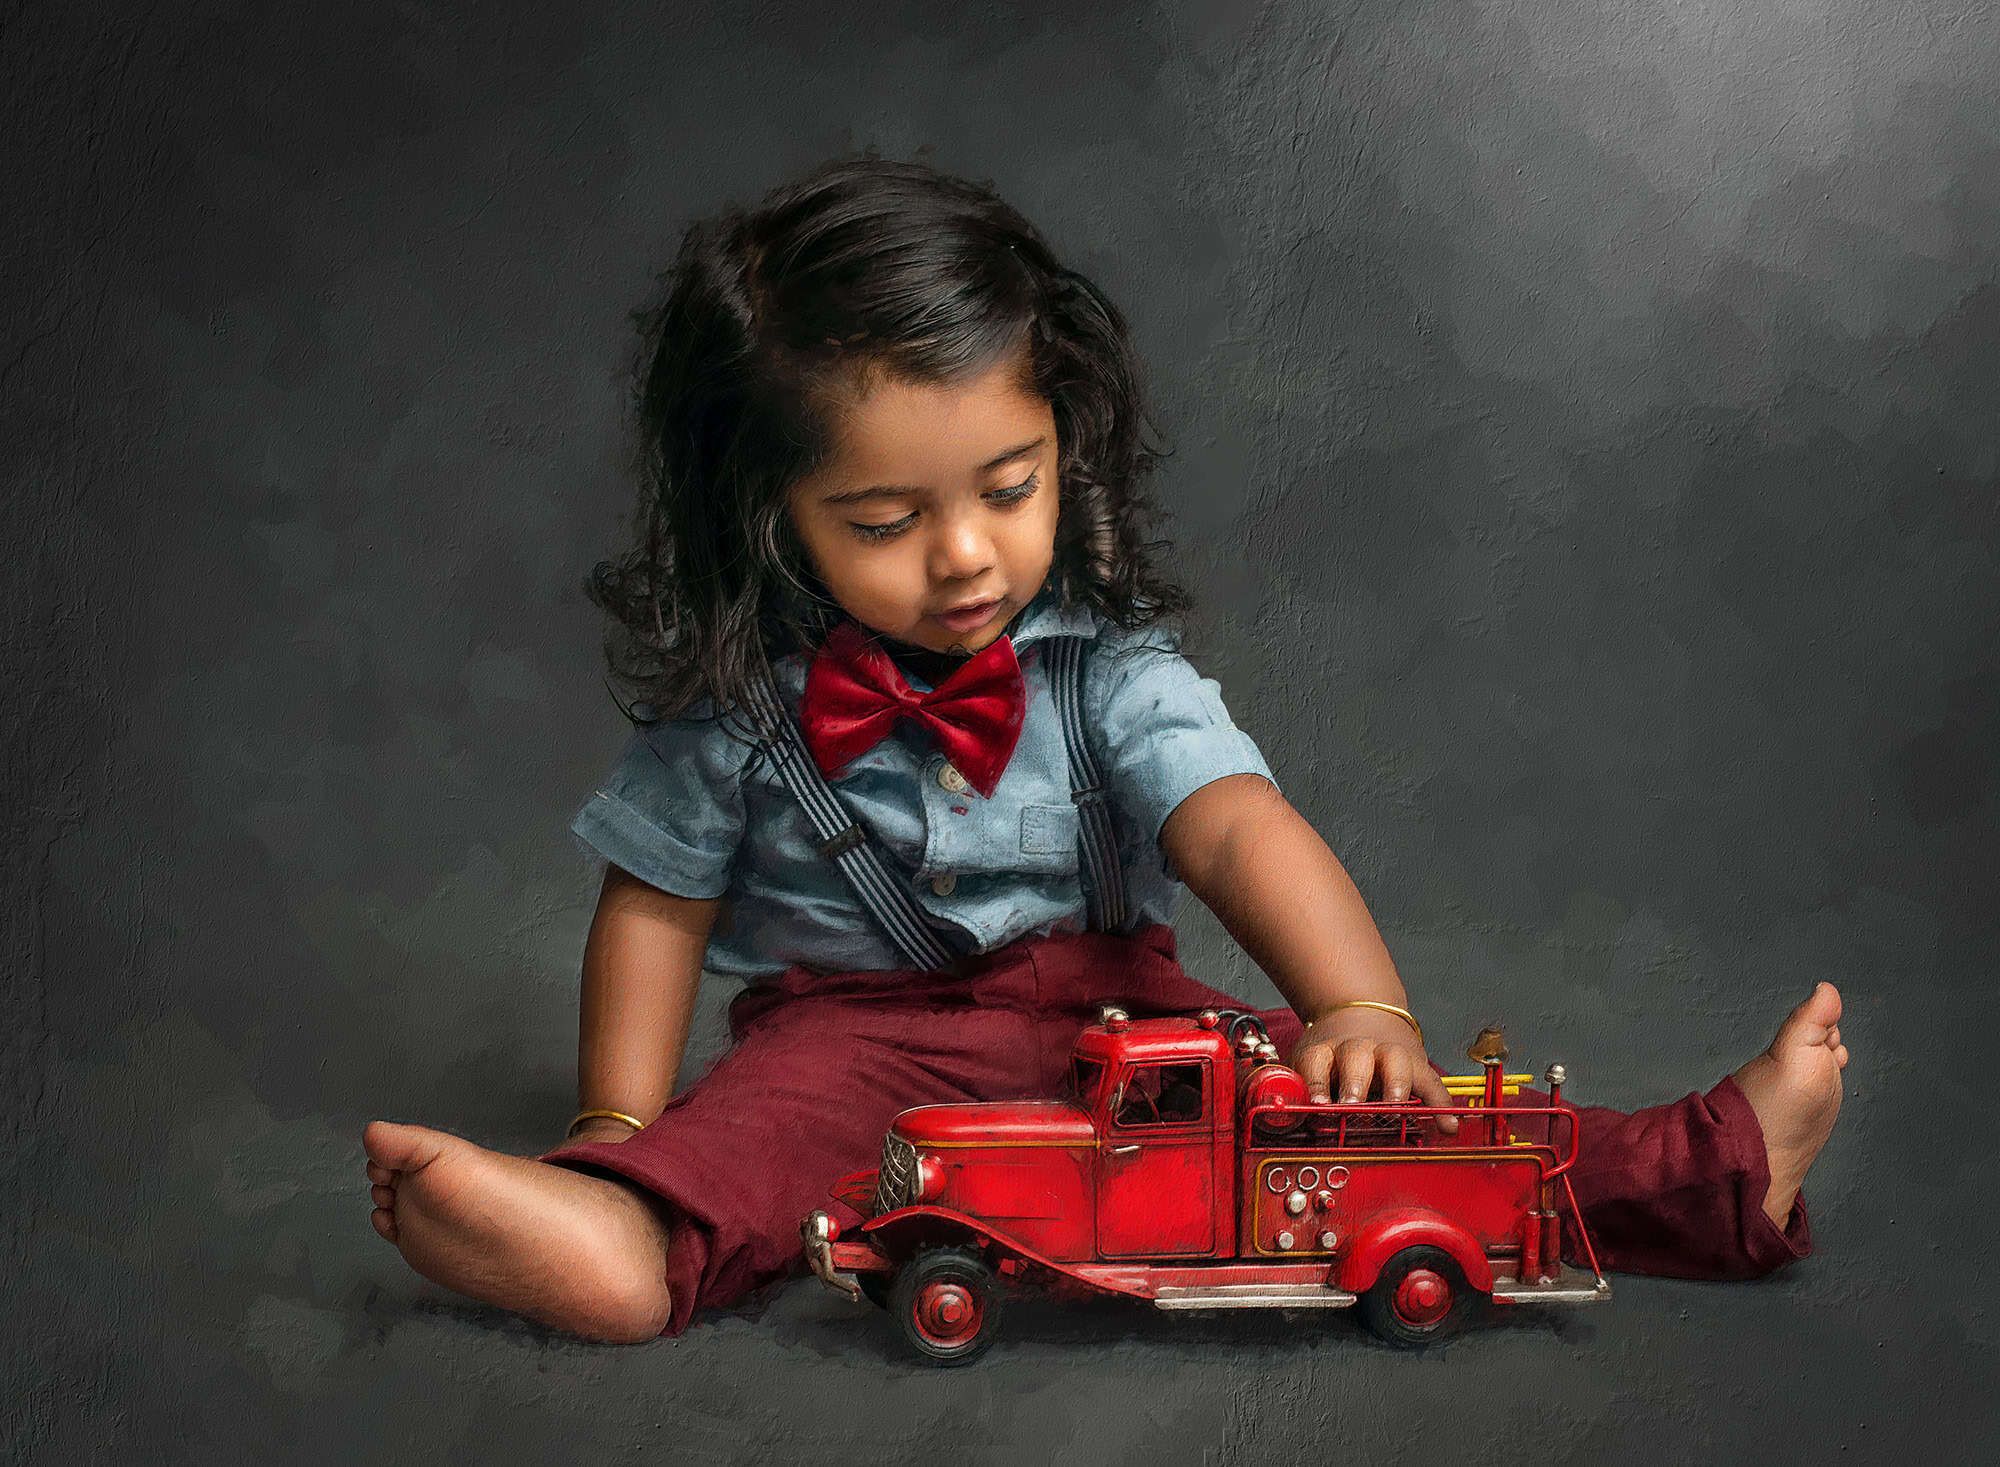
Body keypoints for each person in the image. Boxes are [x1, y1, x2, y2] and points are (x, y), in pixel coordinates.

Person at [361, 154, 1847, 1343]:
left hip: (1127, 1031)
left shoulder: (1109, 675)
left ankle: (1705, 1170)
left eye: (1009, 489)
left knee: (1375, 1135)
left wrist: (1364, 1003)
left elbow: (1238, 827)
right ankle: (616, 1231)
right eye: (883, 522)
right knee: (745, 1146)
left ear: (1068, 442)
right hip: (844, 1033)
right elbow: (654, 909)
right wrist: (619, 1116)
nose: (963, 557)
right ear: (770, 516)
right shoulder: (747, 713)